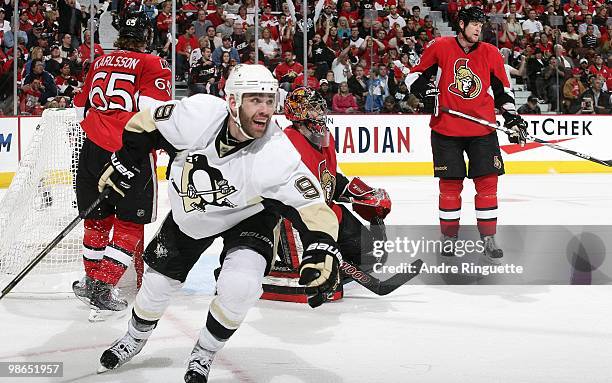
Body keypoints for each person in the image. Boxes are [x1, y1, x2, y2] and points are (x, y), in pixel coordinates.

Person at [97, 65, 342, 383]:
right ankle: (133, 338)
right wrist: (125, 160)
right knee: (155, 288)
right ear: (232, 101)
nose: (265, 110)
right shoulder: (197, 115)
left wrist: (322, 249)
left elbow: (314, 208)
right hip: (193, 216)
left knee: (241, 287)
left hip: (250, 215)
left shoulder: (276, 155)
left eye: (269, 100)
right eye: (255, 100)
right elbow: (144, 123)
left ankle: (205, 352)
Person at [396, 7, 527, 262]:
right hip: (447, 128)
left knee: (488, 184)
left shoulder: (490, 53)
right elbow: (413, 77)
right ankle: (449, 238)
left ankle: (488, 237)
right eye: (474, 24)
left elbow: (503, 92)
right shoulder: (441, 47)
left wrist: (512, 118)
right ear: (462, 24)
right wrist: (427, 93)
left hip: (482, 129)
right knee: (450, 186)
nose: (479, 29)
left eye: (481, 25)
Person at [71, 11, 172, 317]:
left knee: (96, 220)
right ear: (147, 36)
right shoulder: (152, 63)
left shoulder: (100, 60)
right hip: (128, 152)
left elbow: (80, 108)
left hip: (91, 149)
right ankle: (102, 288)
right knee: (130, 223)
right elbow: (154, 112)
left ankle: (91, 281)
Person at [262, 87, 391, 303]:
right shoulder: (287, 143)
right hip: (297, 219)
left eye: (319, 108)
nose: (319, 114)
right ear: (299, 115)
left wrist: (364, 195)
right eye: (312, 109)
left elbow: (330, 178)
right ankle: (253, 279)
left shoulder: (324, 140)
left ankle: (332, 264)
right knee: (323, 282)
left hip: (327, 213)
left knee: (369, 254)